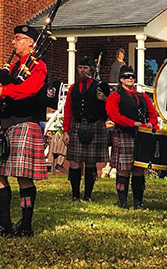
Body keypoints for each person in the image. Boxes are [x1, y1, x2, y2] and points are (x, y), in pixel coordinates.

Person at [0, 25, 49, 237]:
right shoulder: (11, 70)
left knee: (23, 177)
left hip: (26, 123)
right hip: (8, 125)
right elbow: (6, 98)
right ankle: (4, 225)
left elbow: (30, 90)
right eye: (14, 38)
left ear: (31, 42)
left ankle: (26, 227)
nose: (13, 42)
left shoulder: (38, 66)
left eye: (18, 38)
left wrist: (4, 90)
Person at [105, 68, 158, 209]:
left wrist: (151, 123)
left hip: (141, 135)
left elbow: (152, 113)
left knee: (139, 168)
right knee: (124, 169)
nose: (130, 79)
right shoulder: (115, 96)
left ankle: (138, 202)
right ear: (121, 79)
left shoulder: (142, 96)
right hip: (124, 133)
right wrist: (133, 123)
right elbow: (114, 115)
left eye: (132, 76)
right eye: (127, 76)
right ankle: (123, 203)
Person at [62, 56, 110, 202]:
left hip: (94, 124)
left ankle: (88, 195)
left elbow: (110, 107)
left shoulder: (99, 86)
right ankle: (75, 194)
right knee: (75, 162)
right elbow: (68, 109)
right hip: (77, 125)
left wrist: (104, 99)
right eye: (80, 68)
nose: (82, 71)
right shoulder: (73, 88)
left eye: (85, 68)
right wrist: (65, 130)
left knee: (90, 162)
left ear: (91, 70)